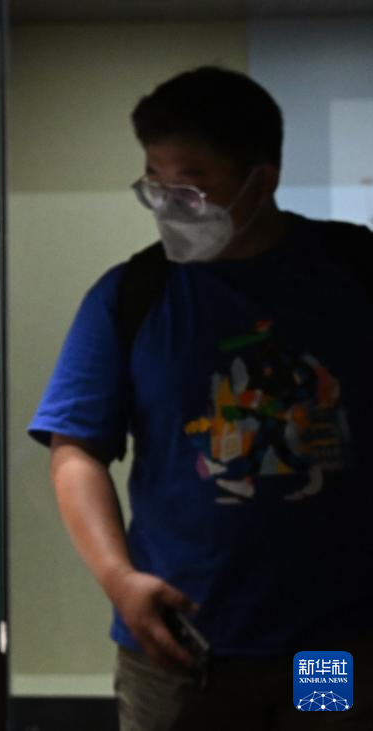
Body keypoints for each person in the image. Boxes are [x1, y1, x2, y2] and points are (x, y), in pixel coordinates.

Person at [29, 67, 373, 729]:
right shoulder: (132, 294)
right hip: (180, 647)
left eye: (191, 183)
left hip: (329, 647)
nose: (168, 203)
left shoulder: (353, 274)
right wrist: (117, 578)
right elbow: (76, 449)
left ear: (260, 180)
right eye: (154, 182)